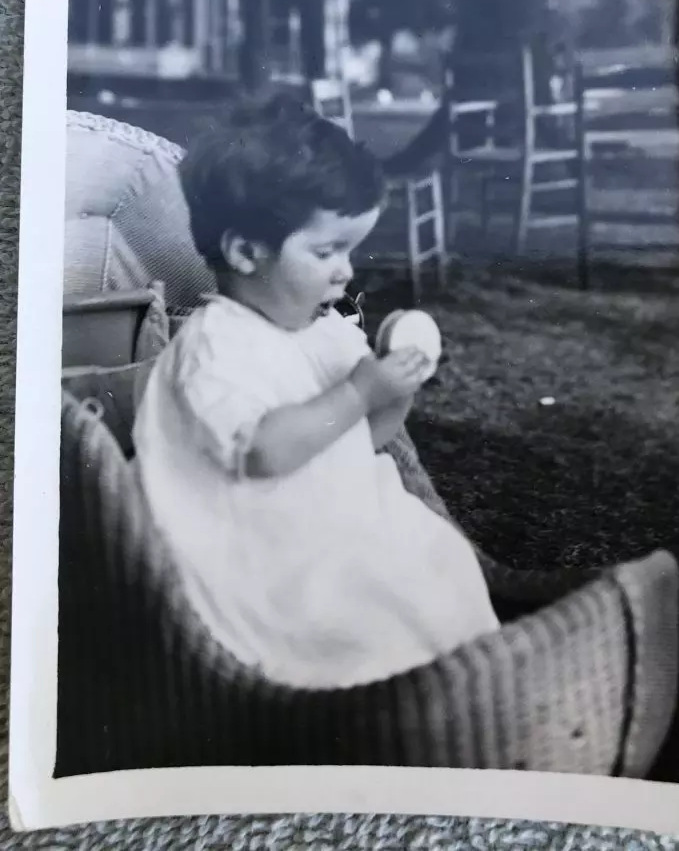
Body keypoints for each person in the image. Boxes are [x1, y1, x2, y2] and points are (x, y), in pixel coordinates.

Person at [133, 93, 499, 689]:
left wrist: (395, 388)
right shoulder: (216, 349)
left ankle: (456, 676)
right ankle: (398, 698)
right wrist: (359, 389)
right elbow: (264, 453)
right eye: (327, 251)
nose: (346, 271)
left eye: (349, 250)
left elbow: (365, 440)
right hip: (263, 556)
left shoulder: (323, 329)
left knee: (437, 560)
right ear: (247, 252)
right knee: (365, 605)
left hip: (336, 520)